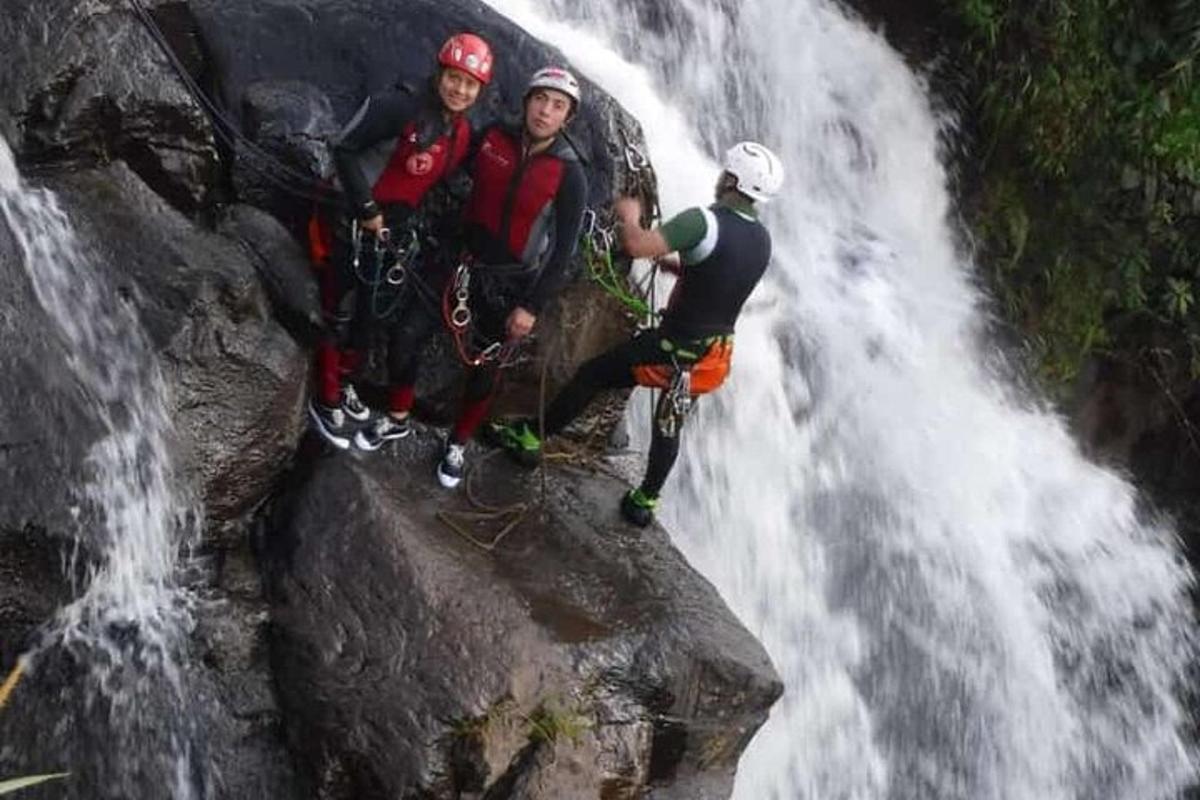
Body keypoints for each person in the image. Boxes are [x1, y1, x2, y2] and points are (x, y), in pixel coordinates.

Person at [487, 141, 784, 526]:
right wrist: (679, 268)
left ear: (731, 178)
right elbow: (723, 276)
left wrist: (631, 215)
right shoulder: (761, 239)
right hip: (712, 353)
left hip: (672, 345)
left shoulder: (702, 222)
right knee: (670, 420)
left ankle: (529, 437)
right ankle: (645, 500)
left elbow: (636, 245)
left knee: (591, 375)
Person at [379, 66, 588, 487]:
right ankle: (397, 415)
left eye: (557, 106)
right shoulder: (494, 136)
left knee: (486, 369)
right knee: (406, 335)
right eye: (540, 100)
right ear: (526, 101)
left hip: (510, 282)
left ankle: (458, 443)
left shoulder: (570, 174)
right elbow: (452, 171)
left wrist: (531, 305)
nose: (545, 112)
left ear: (567, 117)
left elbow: (564, 250)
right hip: (461, 260)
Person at [307, 32, 494, 449]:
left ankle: (348, 383)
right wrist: (366, 208)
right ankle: (327, 397)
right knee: (337, 310)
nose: (459, 90)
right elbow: (345, 148)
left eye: (469, 84)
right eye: (454, 78)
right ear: (440, 73)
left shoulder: (461, 133)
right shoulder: (399, 107)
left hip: (393, 229)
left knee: (370, 315)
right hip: (350, 217)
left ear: (479, 91)